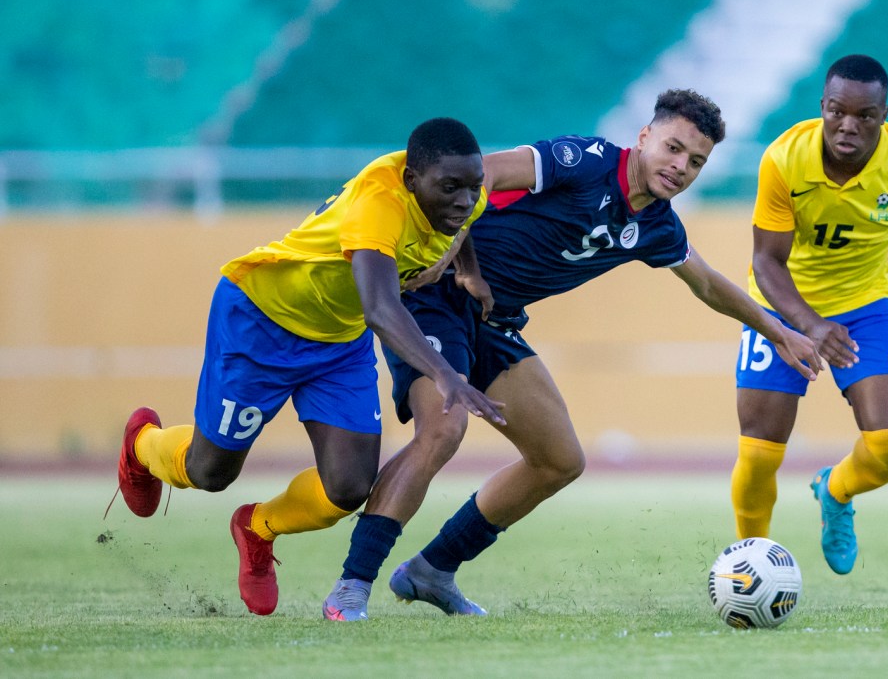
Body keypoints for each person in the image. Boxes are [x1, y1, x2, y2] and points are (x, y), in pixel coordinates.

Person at [321, 89, 823, 621]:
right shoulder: (583, 161)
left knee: (559, 460)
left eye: (696, 161)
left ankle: (432, 571)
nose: (681, 166)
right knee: (443, 428)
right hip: (436, 300)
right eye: (673, 148)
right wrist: (458, 257)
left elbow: (707, 283)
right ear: (645, 136)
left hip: (494, 322)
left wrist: (778, 331)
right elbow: (481, 174)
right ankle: (352, 585)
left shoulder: (657, 226)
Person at [108, 117, 507, 616]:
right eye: (450, 188)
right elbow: (382, 310)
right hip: (262, 322)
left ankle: (257, 527)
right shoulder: (377, 206)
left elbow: (462, 223)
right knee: (210, 472)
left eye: (472, 187)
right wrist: (445, 374)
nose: (465, 200)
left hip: (338, 344)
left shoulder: (463, 193)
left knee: (348, 488)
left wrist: (469, 271)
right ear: (411, 180)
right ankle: (142, 444)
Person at [730, 55, 888, 575]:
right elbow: (765, 261)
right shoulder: (784, 159)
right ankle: (749, 563)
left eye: (865, 115)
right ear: (823, 106)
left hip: (864, 305)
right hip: (780, 306)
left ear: (884, 113)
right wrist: (811, 326)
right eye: (838, 111)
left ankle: (835, 490)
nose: (849, 125)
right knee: (759, 454)